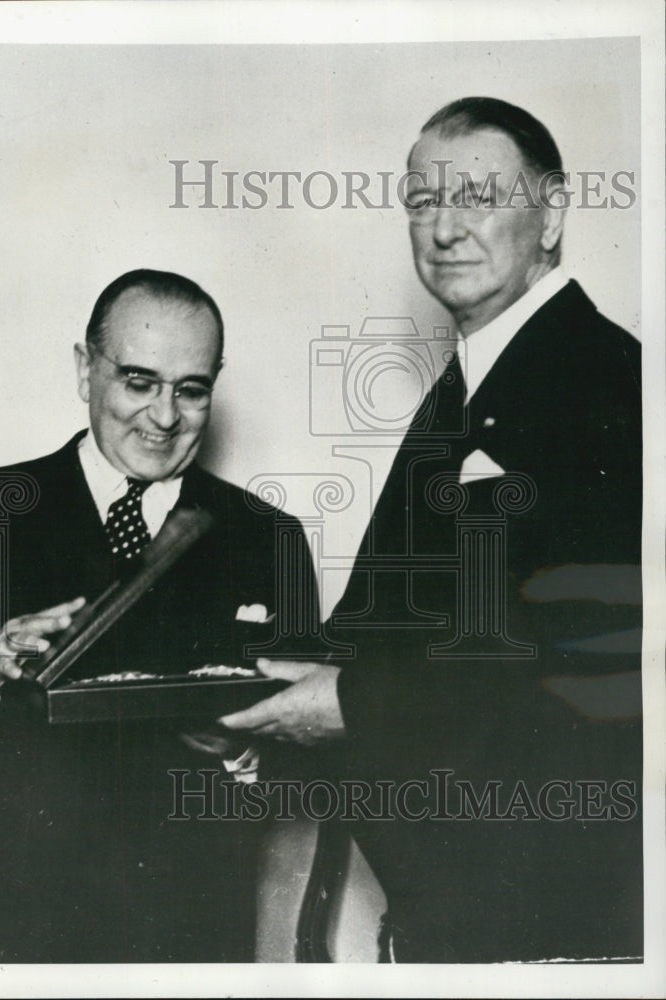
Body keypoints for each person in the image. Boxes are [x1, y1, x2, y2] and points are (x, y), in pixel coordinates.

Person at [221, 98, 643, 962]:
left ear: (553, 211)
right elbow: (397, 625)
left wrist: (344, 701)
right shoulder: (469, 388)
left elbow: (584, 656)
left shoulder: (608, 383)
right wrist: (247, 686)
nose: (443, 228)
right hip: (466, 920)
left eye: (477, 195)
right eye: (420, 201)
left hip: (559, 929)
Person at [0, 268, 318, 963]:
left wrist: (242, 753)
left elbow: (311, 757)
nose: (164, 418)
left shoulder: (268, 538)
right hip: (2, 928)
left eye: (191, 390)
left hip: (183, 932)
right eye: (138, 381)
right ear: (85, 369)